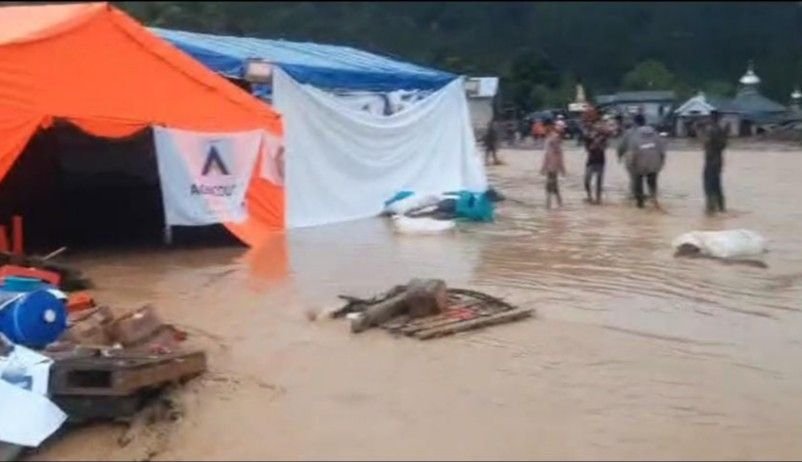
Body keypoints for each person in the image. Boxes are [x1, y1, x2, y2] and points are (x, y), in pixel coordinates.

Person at [617, 113, 666, 209]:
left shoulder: (630, 132)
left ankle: (640, 204)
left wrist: (619, 156)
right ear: (645, 122)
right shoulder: (654, 132)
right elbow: (661, 149)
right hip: (654, 162)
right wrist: (661, 162)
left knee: (636, 181)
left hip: (638, 162)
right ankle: (654, 199)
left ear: (634, 122)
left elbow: (622, 147)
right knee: (652, 181)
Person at [699, 110, 728, 214]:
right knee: (717, 185)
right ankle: (721, 207)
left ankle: (710, 209)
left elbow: (705, 142)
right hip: (718, 160)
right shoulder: (720, 129)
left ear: (712, 118)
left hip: (711, 160)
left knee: (709, 184)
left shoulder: (711, 130)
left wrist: (700, 131)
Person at [582, 109, 611, 204]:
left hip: (600, 158)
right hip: (591, 158)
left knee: (599, 180)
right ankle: (590, 196)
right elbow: (586, 141)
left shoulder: (602, 128)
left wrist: (599, 140)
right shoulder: (588, 130)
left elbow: (608, 133)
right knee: (587, 180)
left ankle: (598, 198)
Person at [540, 118, 565, 209]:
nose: (544, 128)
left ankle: (548, 205)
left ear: (550, 126)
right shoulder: (547, 138)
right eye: (544, 127)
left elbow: (559, 153)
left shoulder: (555, 137)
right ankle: (559, 203)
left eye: (546, 126)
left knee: (549, 185)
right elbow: (547, 154)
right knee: (554, 186)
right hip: (549, 165)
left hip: (554, 165)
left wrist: (562, 167)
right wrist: (543, 167)